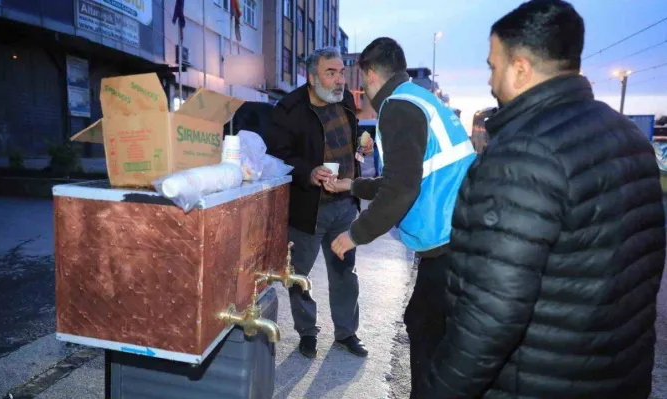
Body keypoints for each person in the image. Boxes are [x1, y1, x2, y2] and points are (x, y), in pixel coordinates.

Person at [426, 1, 666, 398]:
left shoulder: (524, 153)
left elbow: (491, 315)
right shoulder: (629, 137)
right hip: (617, 375)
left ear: (520, 68)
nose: (490, 80)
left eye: (493, 65)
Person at [323, 37, 476, 397]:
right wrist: (352, 185)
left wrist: (355, 234)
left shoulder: (398, 107)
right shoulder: (419, 98)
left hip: (451, 242)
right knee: (433, 327)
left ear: (372, 75)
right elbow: (403, 179)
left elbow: (401, 189)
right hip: (463, 232)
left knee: (425, 327)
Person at [265, 47, 372, 359]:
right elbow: (276, 155)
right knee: (299, 276)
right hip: (307, 209)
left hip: (343, 206)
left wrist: (360, 151)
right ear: (312, 77)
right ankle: (307, 333)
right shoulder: (288, 109)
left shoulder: (347, 102)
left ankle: (346, 333)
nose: (340, 80)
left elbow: (349, 142)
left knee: (344, 273)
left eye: (341, 72)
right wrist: (307, 172)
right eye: (331, 73)